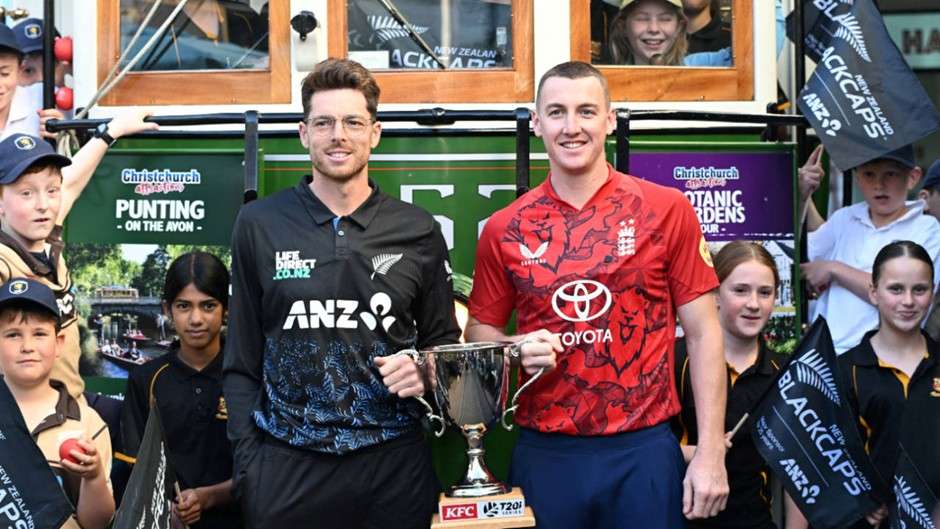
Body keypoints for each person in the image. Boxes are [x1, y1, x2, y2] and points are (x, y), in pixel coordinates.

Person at [466, 61, 729, 529]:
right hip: (545, 450)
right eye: (557, 112)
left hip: (643, 450)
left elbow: (706, 334)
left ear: (609, 119)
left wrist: (710, 453)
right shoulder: (506, 228)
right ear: (536, 123)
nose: (572, 127)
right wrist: (515, 348)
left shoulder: (666, 209)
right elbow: (479, 333)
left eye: (586, 111)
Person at [223, 58, 461, 529]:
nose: (339, 135)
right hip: (288, 464)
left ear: (374, 133)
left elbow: (446, 347)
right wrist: (252, 465)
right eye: (324, 122)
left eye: (353, 122)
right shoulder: (258, 225)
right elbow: (241, 362)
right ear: (303, 133)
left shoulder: (417, 230)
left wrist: (426, 371)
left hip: (393, 462)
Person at [0, 114, 158, 402]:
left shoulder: (43, 229)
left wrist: (111, 131)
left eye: (51, 191)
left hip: (72, 402)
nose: (43, 204)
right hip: (29, 419)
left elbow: (71, 182)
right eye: (26, 193)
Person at [671, 242, 805, 529]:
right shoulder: (677, 359)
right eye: (740, 290)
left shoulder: (784, 373)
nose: (754, 304)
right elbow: (643, 447)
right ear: (716, 293)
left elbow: (798, 471)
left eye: (765, 292)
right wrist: (700, 450)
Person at [121, 252, 242, 529]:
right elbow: (136, 467)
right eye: (184, 306)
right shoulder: (146, 379)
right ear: (167, 309)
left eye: (208, 306)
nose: (196, 318)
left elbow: (264, 467)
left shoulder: (247, 376)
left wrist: (208, 497)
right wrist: (166, 510)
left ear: (226, 308)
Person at [799, 144, 940, 354]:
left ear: (912, 177)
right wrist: (802, 196)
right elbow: (800, 253)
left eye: (890, 174)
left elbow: (902, 296)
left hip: (884, 359)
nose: (879, 185)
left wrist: (834, 269)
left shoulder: (928, 230)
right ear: (857, 178)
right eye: (869, 174)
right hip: (826, 353)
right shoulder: (845, 218)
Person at [839, 241, 940, 528]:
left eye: (919, 290)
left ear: (932, 293)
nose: (908, 301)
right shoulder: (846, 369)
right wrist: (856, 501)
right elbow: (828, 457)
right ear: (874, 292)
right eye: (896, 289)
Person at [0, 277, 114, 529]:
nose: (27, 346)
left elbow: (97, 524)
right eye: (13, 335)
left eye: (39, 334)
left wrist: (93, 476)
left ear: (59, 343)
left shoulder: (88, 424)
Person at [607, 0, 731, 66]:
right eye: (642, 18)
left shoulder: (696, 65)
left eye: (665, 19)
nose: (654, 29)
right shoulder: (606, 80)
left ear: (679, 27)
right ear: (622, 27)